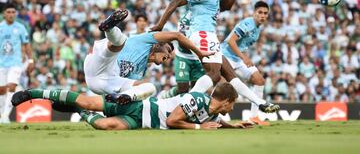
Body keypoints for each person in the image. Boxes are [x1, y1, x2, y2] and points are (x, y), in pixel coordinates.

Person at [151, 0, 279, 113]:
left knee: (229, 73)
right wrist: (160, 25)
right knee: (214, 75)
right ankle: (182, 107)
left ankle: (259, 102)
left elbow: (227, 6)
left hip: (210, 35)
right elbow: (175, 2)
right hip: (201, 33)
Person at [84, 9, 213, 104]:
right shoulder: (146, 39)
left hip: (104, 83)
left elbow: (129, 84)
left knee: (150, 87)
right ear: (159, 44)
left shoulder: (142, 70)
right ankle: (109, 28)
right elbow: (177, 36)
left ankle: (122, 99)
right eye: (168, 50)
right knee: (120, 42)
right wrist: (199, 53)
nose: (169, 56)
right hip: (100, 66)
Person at [12, 82, 253, 130]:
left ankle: (79, 112)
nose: (232, 109)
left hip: (140, 123)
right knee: (86, 99)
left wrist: (233, 125)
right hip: (138, 108)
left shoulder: (209, 110)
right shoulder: (197, 98)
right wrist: (200, 130)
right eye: (232, 106)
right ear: (226, 100)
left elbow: (209, 120)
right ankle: (32, 92)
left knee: (106, 126)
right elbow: (172, 121)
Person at [221, 1, 270, 125]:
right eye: (260, 12)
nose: (262, 15)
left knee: (259, 80)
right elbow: (231, 41)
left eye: (265, 13)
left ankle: (254, 117)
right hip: (225, 57)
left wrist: (243, 57)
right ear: (254, 13)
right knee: (221, 87)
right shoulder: (248, 24)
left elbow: (241, 45)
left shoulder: (257, 29)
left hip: (237, 59)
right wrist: (244, 58)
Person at [0, 3, 34, 123]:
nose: (11, 14)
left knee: (12, 86)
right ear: (4, 14)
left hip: (15, 62)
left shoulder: (20, 27)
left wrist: (30, 60)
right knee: (2, 90)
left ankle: (5, 116)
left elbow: (26, 44)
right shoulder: (0, 27)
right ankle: (2, 114)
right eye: (8, 12)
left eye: (13, 12)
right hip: (1, 63)